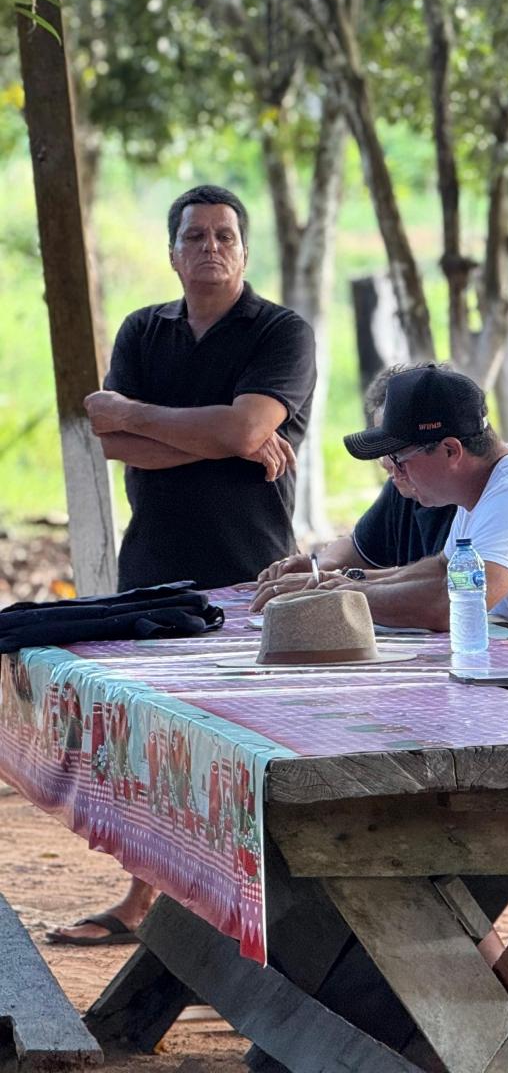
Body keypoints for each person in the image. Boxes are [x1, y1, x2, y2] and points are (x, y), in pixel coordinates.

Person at [48, 184, 315, 946]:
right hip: (154, 566)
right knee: (149, 743)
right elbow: (112, 442)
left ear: (245, 249)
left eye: (225, 234)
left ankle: (254, 927)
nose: (211, 247)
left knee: (247, 745)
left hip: (248, 567)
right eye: (194, 236)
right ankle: (141, 905)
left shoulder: (282, 333)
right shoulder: (143, 330)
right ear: (173, 254)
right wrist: (218, 434)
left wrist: (139, 414)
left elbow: (240, 427)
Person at [256, 363, 508, 665]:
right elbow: (443, 570)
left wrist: (343, 596)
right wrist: (338, 580)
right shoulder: (491, 482)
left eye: (399, 459)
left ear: (450, 451)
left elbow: (452, 604)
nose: (390, 471)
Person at [254, 362, 455, 585]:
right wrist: (318, 565)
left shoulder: (482, 495)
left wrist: (341, 584)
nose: (387, 464)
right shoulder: (407, 483)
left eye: (397, 452)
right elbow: (358, 548)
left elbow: (442, 592)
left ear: (450, 451)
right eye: (383, 450)